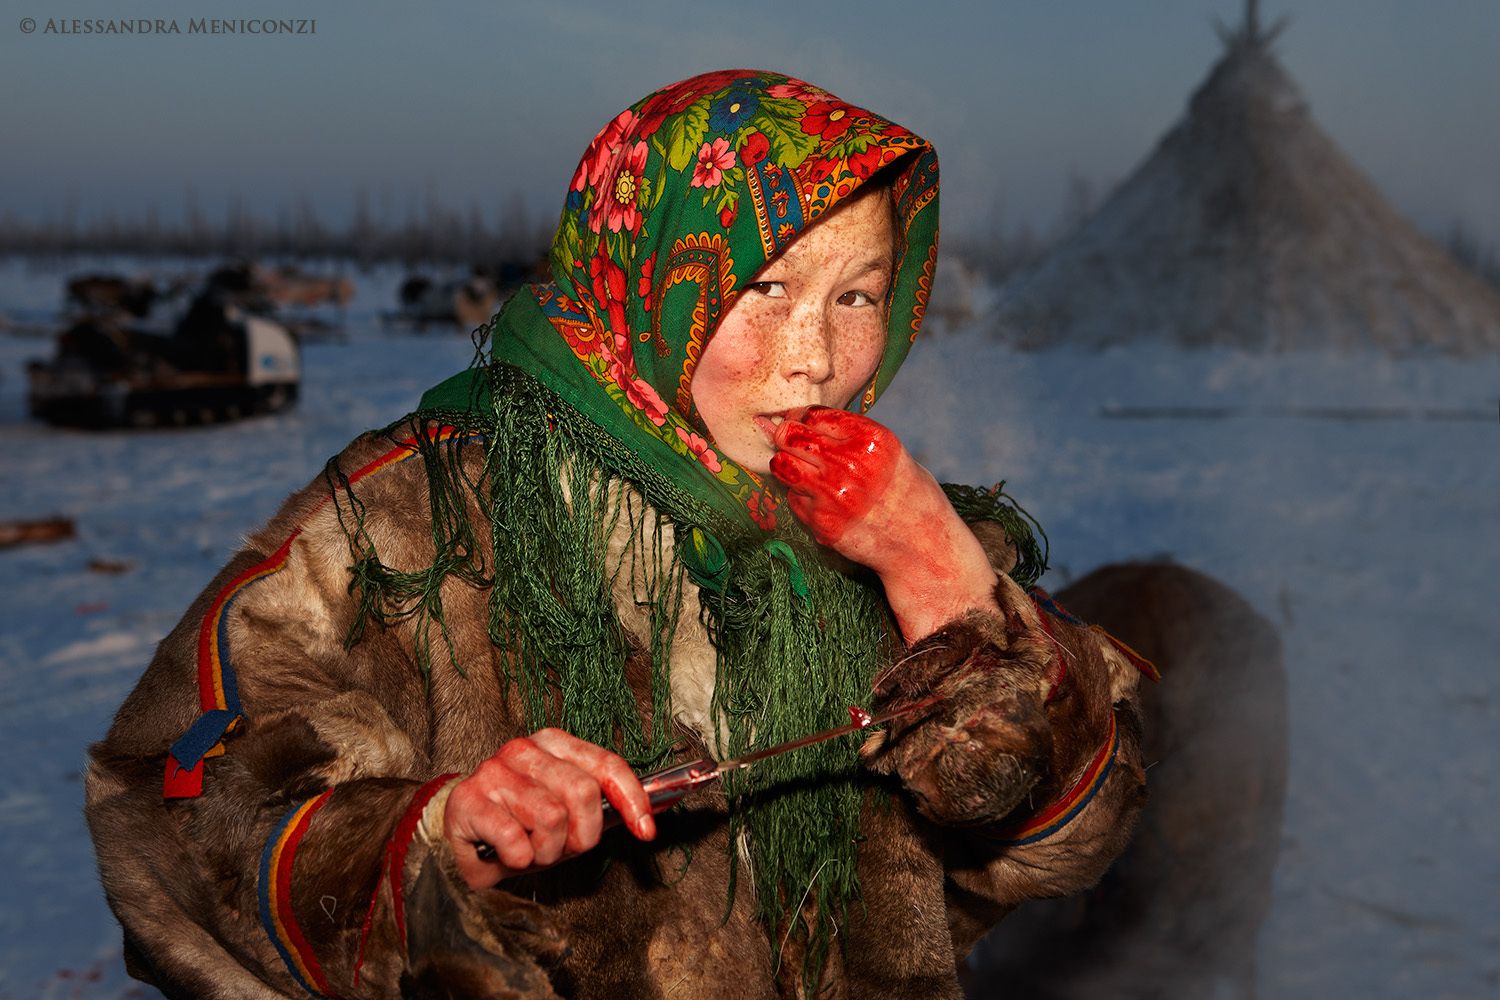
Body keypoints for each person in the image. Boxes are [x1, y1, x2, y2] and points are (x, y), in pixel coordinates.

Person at [86, 70, 1153, 999]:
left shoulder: (881, 518)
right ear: (649, 267)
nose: (816, 357)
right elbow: (168, 818)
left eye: (858, 294)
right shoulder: (417, 517)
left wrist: (938, 573)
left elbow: (1074, 838)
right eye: (767, 284)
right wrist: (436, 835)